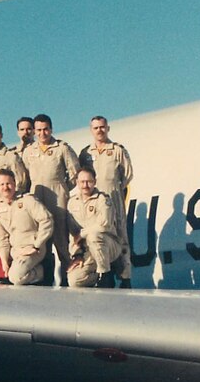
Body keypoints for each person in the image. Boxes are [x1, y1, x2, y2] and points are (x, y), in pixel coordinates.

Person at [22, 113, 80, 285]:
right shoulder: (29, 151)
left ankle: (66, 279)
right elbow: (25, 176)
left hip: (58, 198)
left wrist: (63, 188)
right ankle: (45, 280)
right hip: (37, 198)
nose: (42, 133)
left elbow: (75, 172)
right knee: (41, 242)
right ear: (34, 131)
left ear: (51, 129)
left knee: (61, 240)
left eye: (45, 129)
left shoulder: (62, 148)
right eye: (38, 130)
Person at [79, 115, 134, 288]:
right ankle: (104, 273)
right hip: (94, 201)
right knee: (98, 235)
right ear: (91, 130)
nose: (99, 130)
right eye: (95, 128)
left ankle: (125, 276)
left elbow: (127, 174)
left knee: (120, 235)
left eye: (102, 127)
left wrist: (114, 189)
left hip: (113, 198)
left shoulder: (117, 150)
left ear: (108, 128)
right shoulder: (86, 153)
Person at [0, 168, 53, 286]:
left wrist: (37, 245)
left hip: (33, 248)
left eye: (8, 183)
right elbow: (1, 237)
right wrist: (4, 261)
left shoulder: (28, 200)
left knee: (16, 278)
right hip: (17, 251)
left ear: (14, 183)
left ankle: (43, 271)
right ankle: (32, 270)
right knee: (9, 275)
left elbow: (47, 220)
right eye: (2, 184)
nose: (5, 187)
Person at [66, 166, 124, 288]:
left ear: (95, 182)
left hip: (108, 245)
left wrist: (83, 233)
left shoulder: (103, 200)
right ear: (77, 183)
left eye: (89, 181)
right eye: (82, 182)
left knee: (93, 236)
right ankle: (98, 276)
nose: (85, 185)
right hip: (89, 250)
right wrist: (77, 254)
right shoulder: (72, 203)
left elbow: (104, 224)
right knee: (74, 281)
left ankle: (105, 275)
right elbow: (73, 233)